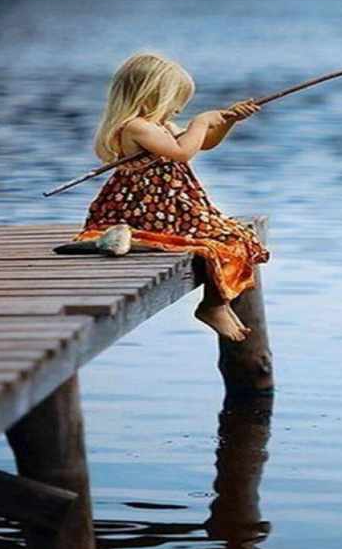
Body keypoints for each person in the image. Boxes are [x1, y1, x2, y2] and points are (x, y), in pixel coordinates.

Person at [73, 52, 268, 341]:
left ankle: (218, 303)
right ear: (151, 94)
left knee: (239, 237)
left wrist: (227, 121)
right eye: (175, 100)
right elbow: (182, 152)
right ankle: (212, 306)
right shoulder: (136, 127)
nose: (178, 110)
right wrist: (201, 121)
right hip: (149, 209)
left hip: (173, 206)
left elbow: (204, 144)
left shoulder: (160, 126)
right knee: (225, 240)